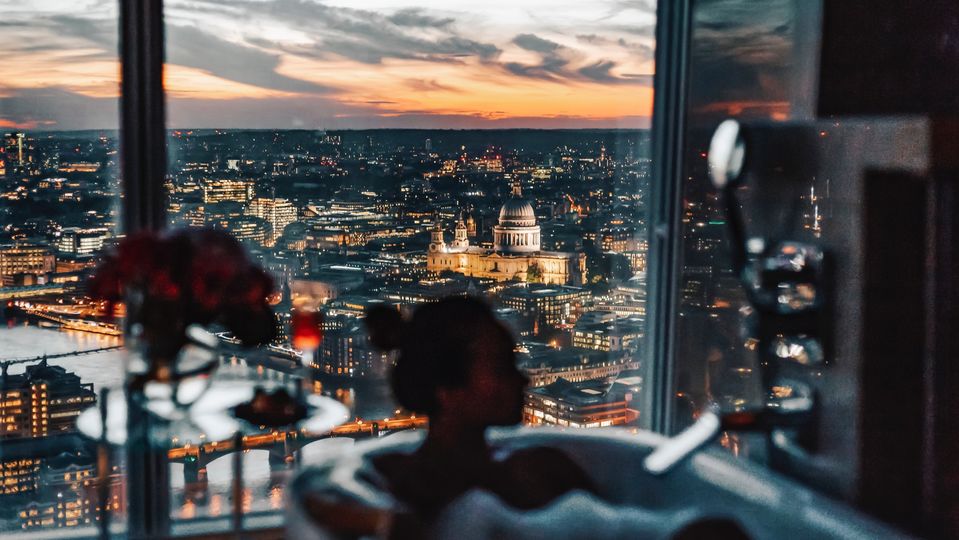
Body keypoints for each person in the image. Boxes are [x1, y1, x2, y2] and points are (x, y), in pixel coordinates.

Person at [362, 296, 595, 534]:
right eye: (502, 366)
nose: (523, 379)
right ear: (447, 390)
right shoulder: (540, 474)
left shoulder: (382, 481)